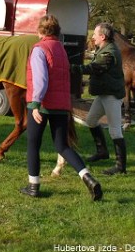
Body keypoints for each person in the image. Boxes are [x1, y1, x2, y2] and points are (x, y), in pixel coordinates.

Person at [20, 15, 102, 201]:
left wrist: (35, 104)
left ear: (40, 31)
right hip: (61, 105)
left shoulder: (39, 49)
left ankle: (33, 186)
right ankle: (87, 178)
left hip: (43, 105)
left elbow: (41, 81)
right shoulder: (61, 50)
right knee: (62, 146)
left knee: (33, 144)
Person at [71, 22, 127, 176]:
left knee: (115, 131)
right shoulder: (104, 48)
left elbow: (92, 68)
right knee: (91, 121)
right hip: (104, 94)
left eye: (95, 34)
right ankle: (102, 151)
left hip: (112, 96)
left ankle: (120, 167)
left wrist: (69, 67)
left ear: (102, 36)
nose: (93, 37)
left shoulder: (109, 53)